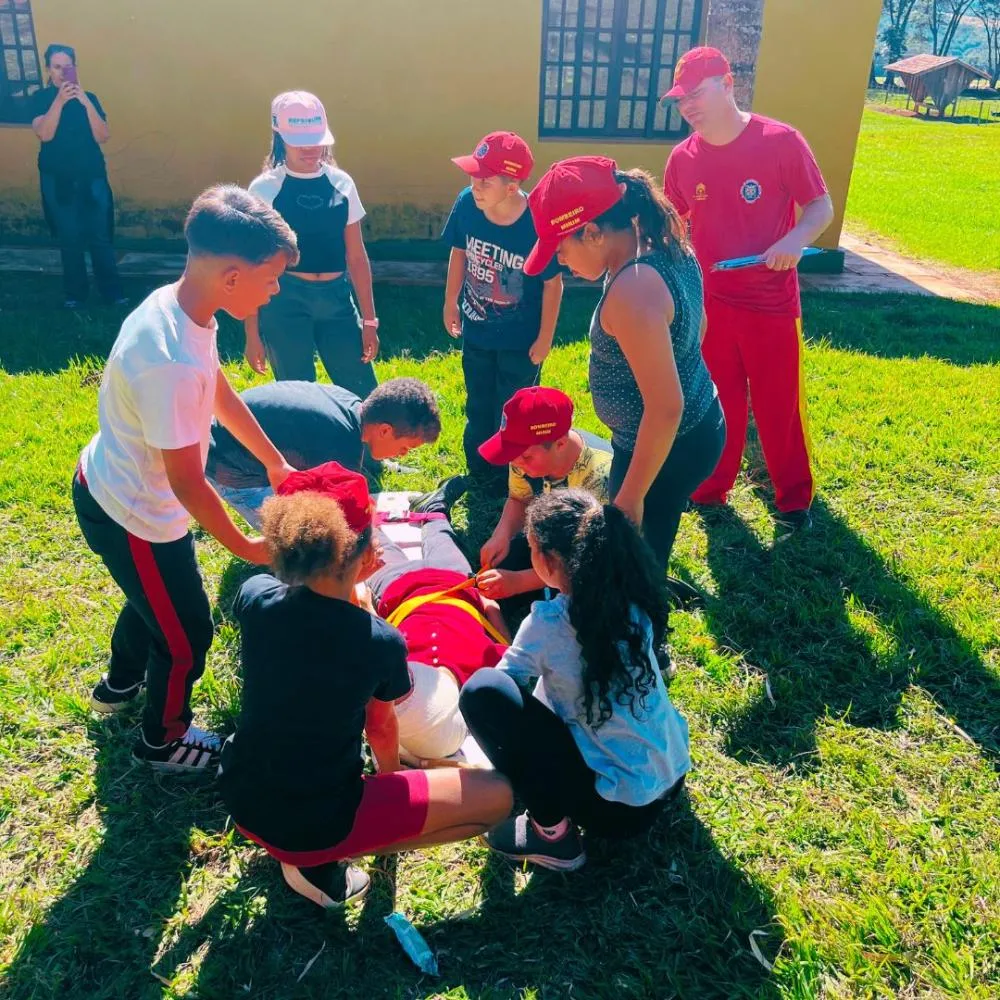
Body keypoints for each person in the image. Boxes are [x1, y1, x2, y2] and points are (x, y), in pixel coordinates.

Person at [72, 185, 299, 772]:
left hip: (117, 486)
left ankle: (120, 687)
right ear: (231, 277)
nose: (276, 289)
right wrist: (247, 546)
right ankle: (163, 739)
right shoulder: (167, 360)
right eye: (270, 278)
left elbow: (217, 383)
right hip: (136, 512)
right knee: (186, 634)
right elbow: (187, 484)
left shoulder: (186, 309)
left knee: (153, 601)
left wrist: (273, 460)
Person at [218, 464, 513, 909]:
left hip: (242, 795)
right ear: (364, 554)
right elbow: (381, 731)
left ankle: (311, 854)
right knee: (498, 798)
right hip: (318, 824)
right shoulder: (378, 642)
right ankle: (327, 859)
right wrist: (394, 797)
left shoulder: (255, 596)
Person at [460, 490, 691, 871]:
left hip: (619, 811)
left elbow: (501, 691)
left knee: (481, 692)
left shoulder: (548, 624)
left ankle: (552, 836)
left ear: (547, 561)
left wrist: (492, 614)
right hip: (669, 777)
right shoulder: (634, 600)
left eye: (531, 549)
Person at [521, 156, 725, 582]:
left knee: (632, 558)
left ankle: (645, 627)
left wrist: (630, 499)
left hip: (671, 441)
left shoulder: (632, 289)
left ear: (593, 232)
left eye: (560, 247)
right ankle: (650, 579)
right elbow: (697, 326)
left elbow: (666, 406)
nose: (559, 261)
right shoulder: (663, 242)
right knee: (652, 538)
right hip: (694, 426)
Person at [662, 47, 834, 539]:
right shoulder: (683, 157)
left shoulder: (781, 141)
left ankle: (794, 499)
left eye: (695, 94)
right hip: (711, 304)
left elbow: (819, 207)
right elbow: (673, 224)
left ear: (728, 83)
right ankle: (713, 487)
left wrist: (793, 241)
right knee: (719, 402)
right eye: (680, 100)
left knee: (779, 405)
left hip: (772, 303)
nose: (688, 107)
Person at [442, 131, 564, 495]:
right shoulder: (467, 205)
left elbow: (553, 284)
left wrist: (544, 339)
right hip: (476, 329)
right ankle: (479, 470)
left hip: (520, 340)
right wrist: (451, 300)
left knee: (513, 410)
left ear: (512, 187)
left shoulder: (537, 224)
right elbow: (459, 252)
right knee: (478, 402)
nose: (475, 186)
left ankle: (515, 477)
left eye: (485, 180)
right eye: (472, 176)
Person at [244, 91, 378, 395]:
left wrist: (370, 320)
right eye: (299, 140)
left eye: (316, 139)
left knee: (363, 392)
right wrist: (252, 333)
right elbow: (252, 264)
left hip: (337, 301)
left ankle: (366, 445)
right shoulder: (264, 189)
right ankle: (303, 445)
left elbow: (357, 257)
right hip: (285, 301)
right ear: (279, 136)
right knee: (297, 394)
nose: (310, 148)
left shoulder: (342, 184)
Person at [365, 507, 511, 764]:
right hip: (457, 585)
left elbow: (372, 634)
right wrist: (491, 606)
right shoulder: (485, 673)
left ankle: (368, 519)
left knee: (372, 542)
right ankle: (433, 509)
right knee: (439, 534)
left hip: (399, 590)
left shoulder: (392, 668)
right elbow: (504, 643)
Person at [205, 377, 441, 528]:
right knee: (318, 538)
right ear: (385, 430)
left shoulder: (352, 406)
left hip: (225, 437)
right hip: (235, 472)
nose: (402, 455)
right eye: (404, 448)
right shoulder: (340, 445)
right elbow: (344, 518)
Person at [475, 386, 611, 603]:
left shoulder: (599, 476)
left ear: (560, 444)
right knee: (494, 574)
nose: (517, 464)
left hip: (592, 553)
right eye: (512, 455)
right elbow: (520, 498)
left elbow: (594, 555)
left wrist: (518, 582)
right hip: (551, 541)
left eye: (525, 457)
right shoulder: (524, 455)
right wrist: (501, 534)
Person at [30, 43, 125, 309]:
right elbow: (44, 133)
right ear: (48, 69)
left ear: (75, 68)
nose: (62, 72)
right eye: (56, 66)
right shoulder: (40, 98)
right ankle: (75, 295)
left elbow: (103, 135)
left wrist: (82, 99)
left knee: (100, 236)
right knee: (69, 237)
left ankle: (112, 293)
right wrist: (59, 101)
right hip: (58, 181)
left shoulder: (90, 98)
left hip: (92, 178)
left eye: (67, 67)